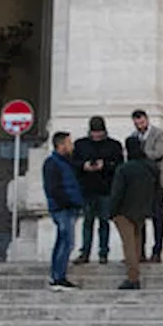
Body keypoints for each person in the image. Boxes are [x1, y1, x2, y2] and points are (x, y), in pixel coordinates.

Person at [72, 115, 123, 265]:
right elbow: (74, 164)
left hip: (106, 189)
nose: (97, 135)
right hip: (87, 188)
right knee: (87, 222)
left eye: (99, 132)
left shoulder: (114, 145)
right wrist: (84, 166)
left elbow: (119, 165)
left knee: (104, 222)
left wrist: (105, 165)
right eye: (94, 132)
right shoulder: (81, 144)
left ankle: (103, 252)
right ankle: (85, 252)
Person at [108, 137, 157, 290]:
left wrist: (112, 211)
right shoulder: (151, 168)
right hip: (142, 210)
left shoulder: (124, 169)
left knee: (129, 245)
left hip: (124, 211)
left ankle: (133, 278)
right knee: (136, 243)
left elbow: (117, 192)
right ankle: (134, 275)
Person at [42, 131, 83, 291]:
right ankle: (58, 277)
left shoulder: (66, 162)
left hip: (68, 207)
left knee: (63, 241)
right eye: (69, 143)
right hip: (62, 208)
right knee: (66, 242)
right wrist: (67, 202)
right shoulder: (52, 163)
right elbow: (53, 188)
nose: (71, 146)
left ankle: (57, 276)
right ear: (61, 145)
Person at [127, 109, 163, 263]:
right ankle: (140, 251)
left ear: (147, 120)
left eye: (142, 122)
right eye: (137, 123)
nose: (140, 126)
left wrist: (140, 152)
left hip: (157, 180)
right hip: (141, 182)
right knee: (140, 216)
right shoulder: (133, 136)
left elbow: (158, 153)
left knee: (158, 216)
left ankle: (157, 251)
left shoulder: (159, 134)